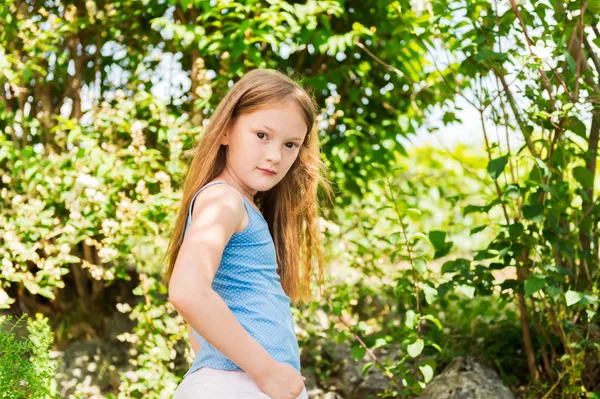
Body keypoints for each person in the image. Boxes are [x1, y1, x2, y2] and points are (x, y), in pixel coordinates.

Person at [163, 68, 334, 399]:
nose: (275, 155)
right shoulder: (223, 199)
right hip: (240, 384)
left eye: (290, 144)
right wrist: (266, 372)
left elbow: (200, 321)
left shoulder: (242, 207)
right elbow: (187, 290)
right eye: (261, 135)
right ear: (226, 131)